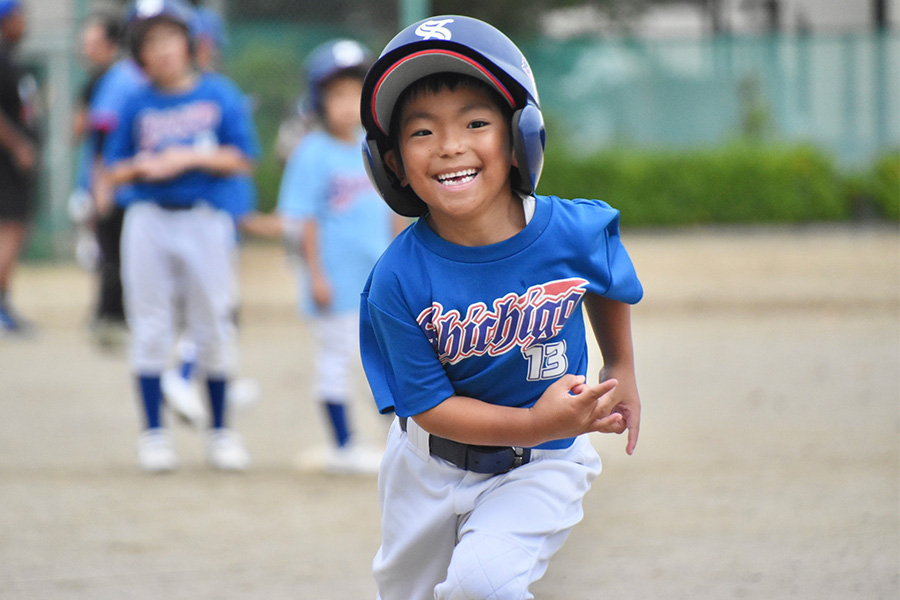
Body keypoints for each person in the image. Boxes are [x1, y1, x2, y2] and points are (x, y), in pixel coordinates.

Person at [358, 16, 643, 599]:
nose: (450, 145)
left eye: (477, 122)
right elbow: (432, 407)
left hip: (545, 461)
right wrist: (536, 419)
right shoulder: (397, 280)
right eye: (420, 133)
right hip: (426, 470)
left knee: (480, 585)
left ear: (520, 138)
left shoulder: (571, 229)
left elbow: (607, 277)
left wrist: (621, 366)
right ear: (391, 164)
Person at [103, 0, 259, 473]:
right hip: (149, 217)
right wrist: (141, 167)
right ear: (139, 53)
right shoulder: (135, 100)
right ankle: (153, 434)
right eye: (151, 41)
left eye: (170, 37)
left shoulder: (219, 93)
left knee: (213, 321)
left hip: (204, 218)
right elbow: (114, 168)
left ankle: (220, 433)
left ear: (189, 43)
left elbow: (243, 157)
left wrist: (187, 159)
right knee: (150, 326)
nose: (163, 49)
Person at [277, 39, 402, 475]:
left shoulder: (371, 148)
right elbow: (304, 221)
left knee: (388, 361)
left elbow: (392, 214)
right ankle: (344, 445)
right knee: (337, 362)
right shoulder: (311, 152)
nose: (348, 105)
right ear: (318, 101)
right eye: (337, 95)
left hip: (377, 280)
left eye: (356, 94)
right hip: (336, 281)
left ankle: (399, 441)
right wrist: (315, 275)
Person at [0, 0, 37, 336]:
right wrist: (19, 145)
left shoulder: (11, 56)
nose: (24, 22)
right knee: (9, 231)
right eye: (20, 16)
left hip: (12, 164)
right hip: (6, 164)